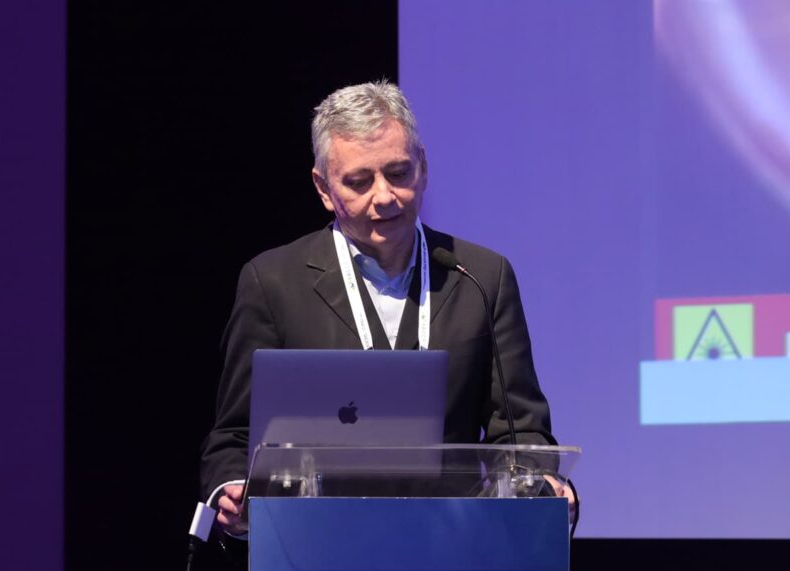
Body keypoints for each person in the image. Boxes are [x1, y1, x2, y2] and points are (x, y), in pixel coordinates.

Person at [200, 80, 572, 532]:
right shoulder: (273, 282)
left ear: (423, 168)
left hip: (454, 543)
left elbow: (520, 433)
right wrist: (232, 490)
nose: (383, 196)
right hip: (317, 548)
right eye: (358, 182)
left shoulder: (480, 276)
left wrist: (540, 482)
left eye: (398, 173)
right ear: (323, 188)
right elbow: (234, 436)